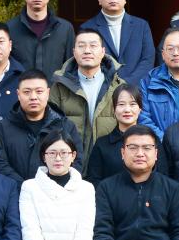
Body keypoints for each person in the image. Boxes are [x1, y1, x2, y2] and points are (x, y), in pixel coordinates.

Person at [49, 27, 126, 159]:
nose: (87, 51)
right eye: (81, 46)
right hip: (69, 159)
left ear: (103, 52)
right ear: (74, 52)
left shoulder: (119, 86)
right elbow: (51, 126)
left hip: (108, 159)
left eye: (93, 46)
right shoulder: (60, 86)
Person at [0, 70, 83, 182]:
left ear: (48, 93)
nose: (33, 97)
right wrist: (25, 187)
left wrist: (51, 187)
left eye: (39, 91)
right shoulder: (3, 128)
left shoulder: (65, 126)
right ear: (18, 94)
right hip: (15, 191)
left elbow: (76, 161)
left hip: (57, 191)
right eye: (27, 92)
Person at [80, 0, 156, 88]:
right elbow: (86, 62)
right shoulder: (87, 28)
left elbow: (148, 60)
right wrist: (110, 87)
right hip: (101, 91)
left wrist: (126, 85)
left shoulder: (141, 26)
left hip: (135, 92)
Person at [7, 0, 75, 80]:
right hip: (20, 90)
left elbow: (71, 67)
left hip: (55, 91)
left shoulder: (65, 28)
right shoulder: (9, 29)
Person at [137, 27, 179, 138]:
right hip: (161, 145)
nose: (176, 53)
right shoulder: (148, 81)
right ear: (163, 54)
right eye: (170, 49)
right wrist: (165, 141)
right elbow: (144, 118)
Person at [86, 84, 142, 182]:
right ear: (113, 109)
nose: (127, 109)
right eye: (121, 104)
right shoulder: (102, 145)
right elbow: (94, 180)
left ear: (140, 109)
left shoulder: (152, 141)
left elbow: (162, 179)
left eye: (132, 104)